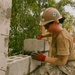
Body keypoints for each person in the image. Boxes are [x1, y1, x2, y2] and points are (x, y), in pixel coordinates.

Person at [31, 7, 75, 75]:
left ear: (55, 23)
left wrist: (43, 58)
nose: (45, 28)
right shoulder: (56, 32)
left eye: (46, 26)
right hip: (64, 62)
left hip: (69, 66)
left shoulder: (62, 38)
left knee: (42, 72)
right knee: (43, 68)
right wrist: (42, 35)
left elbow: (62, 61)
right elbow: (50, 34)